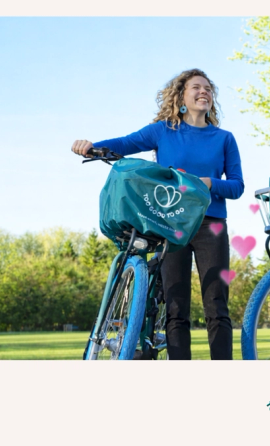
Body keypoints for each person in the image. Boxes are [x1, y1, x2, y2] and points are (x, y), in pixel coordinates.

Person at [71, 69, 244, 360]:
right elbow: (126, 144)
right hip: (171, 224)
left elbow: (237, 186)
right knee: (176, 309)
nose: (204, 92)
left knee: (217, 307)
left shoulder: (224, 138)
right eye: (196, 88)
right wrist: (92, 147)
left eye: (208, 89)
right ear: (181, 97)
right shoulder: (163, 131)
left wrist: (210, 183)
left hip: (211, 225)